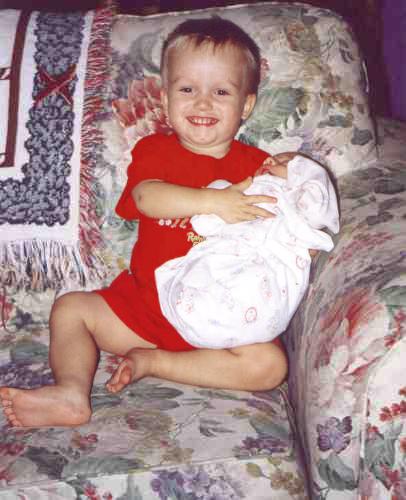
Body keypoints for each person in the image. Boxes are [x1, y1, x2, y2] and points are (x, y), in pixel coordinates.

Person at [1, 17, 301, 427]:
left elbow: (285, 226)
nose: (202, 102)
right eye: (187, 89)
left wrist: (295, 179)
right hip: (143, 310)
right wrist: (215, 202)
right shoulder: (156, 150)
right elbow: (147, 198)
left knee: (269, 366)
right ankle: (71, 391)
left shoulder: (257, 168)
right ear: (164, 98)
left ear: (246, 105)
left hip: (221, 322)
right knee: (71, 308)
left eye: (221, 91)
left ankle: (157, 363)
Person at [156, 155, 339, 350]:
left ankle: (227, 325)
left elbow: (319, 207)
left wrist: (297, 174)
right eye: (270, 160)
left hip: (268, 268)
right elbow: (202, 224)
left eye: (286, 162)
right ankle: (198, 319)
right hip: (230, 252)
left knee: (254, 289)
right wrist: (220, 199)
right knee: (197, 279)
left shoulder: (301, 207)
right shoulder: (242, 192)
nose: (271, 162)